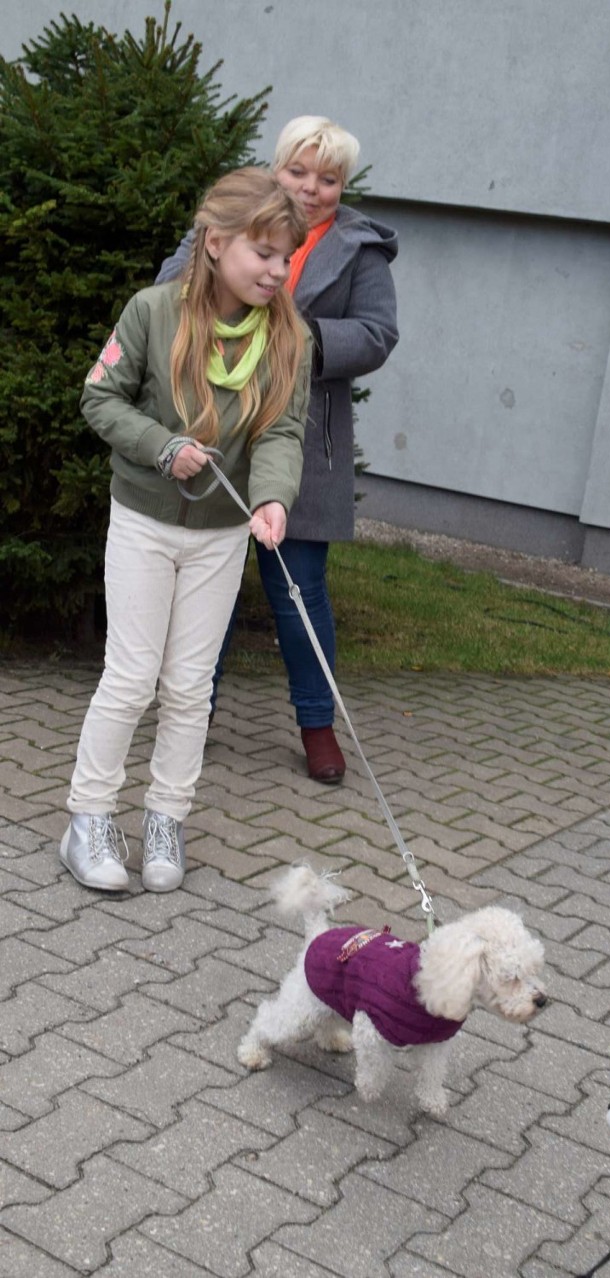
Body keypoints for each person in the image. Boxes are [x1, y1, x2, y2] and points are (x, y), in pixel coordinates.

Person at [61, 167, 312, 894]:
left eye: (285, 256)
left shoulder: (291, 337)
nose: (276, 269)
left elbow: (281, 432)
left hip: (221, 534)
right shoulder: (151, 311)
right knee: (132, 676)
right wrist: (161, 446)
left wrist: (272, 500)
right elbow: (99, 397)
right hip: (142, 520)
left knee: (190, 686)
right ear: (214, 242)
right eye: (262, 252)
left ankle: (167, 816)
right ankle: (89, 817)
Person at [157, 116, 399, 785]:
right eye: (298, 172)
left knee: (300, 591)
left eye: (328, 178)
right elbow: (171, 290)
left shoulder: (361, 248)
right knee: (205, 588)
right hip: (214, 432)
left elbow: (378, 335)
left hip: (301, 446)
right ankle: (191, 716)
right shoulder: (230, 218)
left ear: (342, 185)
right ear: (276, 168)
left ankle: (317, 726)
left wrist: (291, 337)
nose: (311, 188)